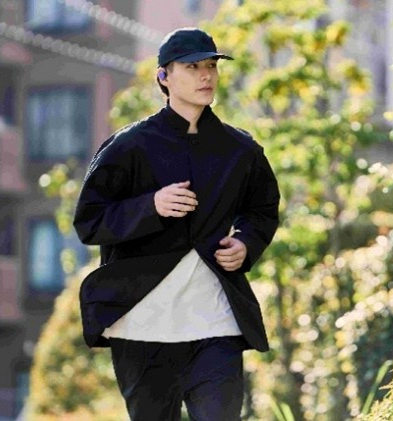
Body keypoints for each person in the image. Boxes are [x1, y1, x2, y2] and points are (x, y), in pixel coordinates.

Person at [73, 27, 280, 421]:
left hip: (216, 325)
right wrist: (151, 206)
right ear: (163, 77)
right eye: (192, 67)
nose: (206, 75)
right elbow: (90, 222)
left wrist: (246, 243)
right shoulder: (127, 146)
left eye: (211, 66)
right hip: (142, 328)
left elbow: (263, 209)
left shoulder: (240, 149)